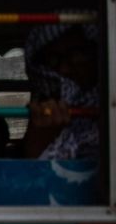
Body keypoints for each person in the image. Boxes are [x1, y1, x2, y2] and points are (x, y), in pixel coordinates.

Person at [22, 22, 102, 162]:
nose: (64, 70)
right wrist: (45, 133)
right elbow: (32, 176)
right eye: (53, 59)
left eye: (77, 55)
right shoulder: (41, 114)